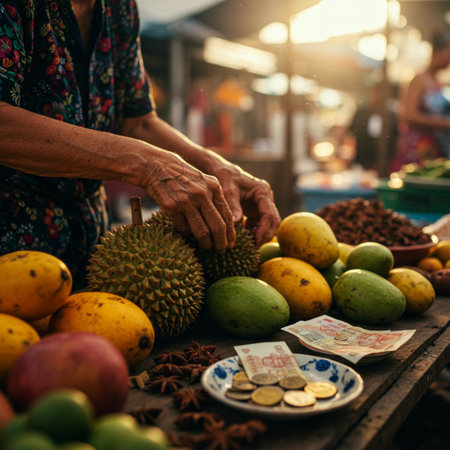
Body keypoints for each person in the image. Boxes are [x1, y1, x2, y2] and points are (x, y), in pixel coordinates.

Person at [0, 0, 280, 288]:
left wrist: (214, 165)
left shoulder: (120, 7)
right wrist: (145, 163)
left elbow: (137, 120)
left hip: (88, 259)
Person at [391, 26, 450, 172]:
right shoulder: (419, 79)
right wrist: (443, 123)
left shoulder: (439, 82)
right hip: (418, 149)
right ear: (439, 51)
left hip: (435, 150)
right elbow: (408, 115)